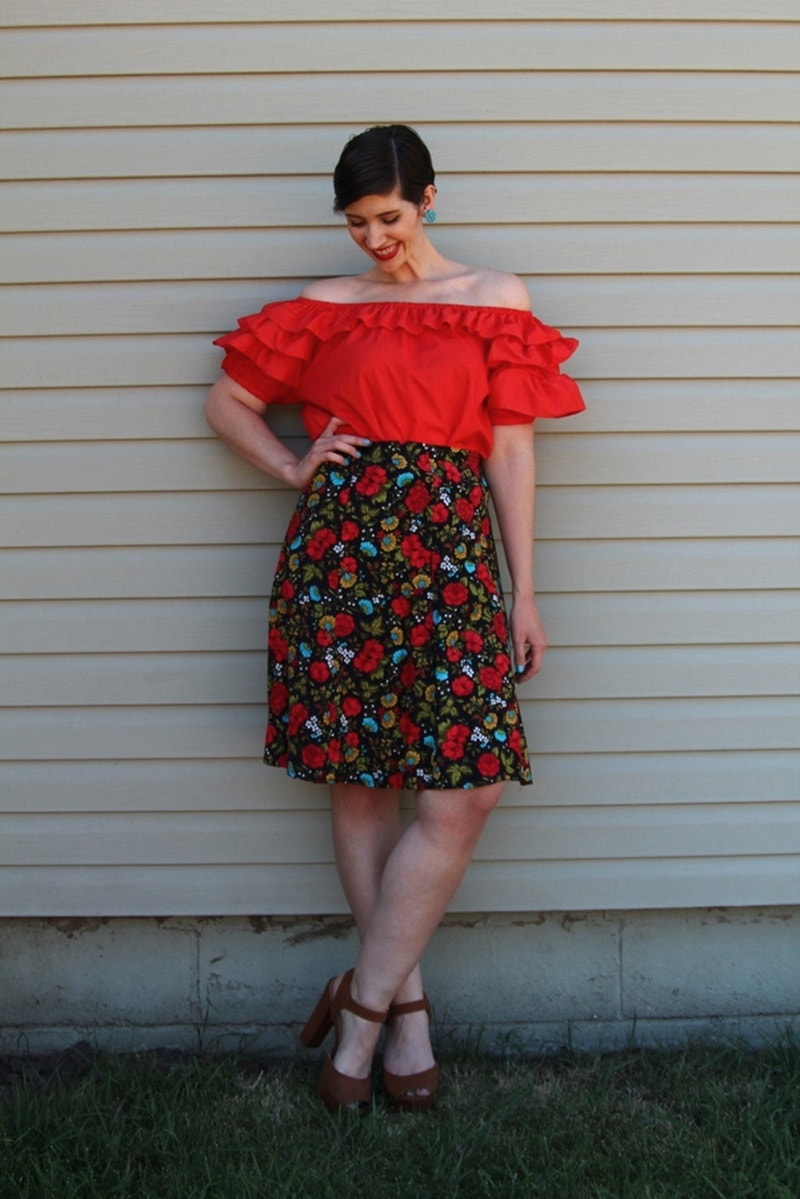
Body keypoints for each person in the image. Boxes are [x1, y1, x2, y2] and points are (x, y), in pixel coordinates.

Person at [205, 124, 585, 1111]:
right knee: (361, 782)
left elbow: (509, 449)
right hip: (339, 555)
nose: (371, 237)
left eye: (386, 215)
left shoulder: (494, 299)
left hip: (454, 551)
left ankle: (360, 995)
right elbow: (226, 402)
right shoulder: (323, 308)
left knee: (466, 787)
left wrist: (523, 589)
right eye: (355, 222)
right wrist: (291, 465)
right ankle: (406, 1013)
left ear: (428, 197)